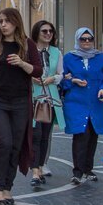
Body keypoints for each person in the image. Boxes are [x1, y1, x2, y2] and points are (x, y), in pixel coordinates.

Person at [0, 8, 43, 205]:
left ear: (16, 22)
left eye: (7, 21)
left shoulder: (27, 44)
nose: (3, 25)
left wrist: (22, 63)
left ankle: (7, 187)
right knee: (3, 143)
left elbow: (37, 70)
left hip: (21, 102)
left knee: (15, 145)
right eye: (1, 21)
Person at [61, 27, 103, 185]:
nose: (86, 42)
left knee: (93, 135)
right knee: (81, 135)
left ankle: (88, 169)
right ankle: (77, 171)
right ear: (77, 40)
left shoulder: (101, 58)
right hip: (77, 103)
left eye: (89, 39)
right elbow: (62, 79)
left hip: (96, 103)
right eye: (83, 39)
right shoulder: (69, 58)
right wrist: (72, 81)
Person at [30, 20, 65, 185]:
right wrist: (31, 77)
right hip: (32, 96)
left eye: (51, 31)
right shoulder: (29, 50)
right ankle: (35, 170)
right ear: (37, 32)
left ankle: (41, 166)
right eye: (44, 31)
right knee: (35, 134)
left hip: (50, 97)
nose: (48, 34)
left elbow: (61, 74)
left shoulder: (56, 52)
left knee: (45, 135)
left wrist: (53, 78)